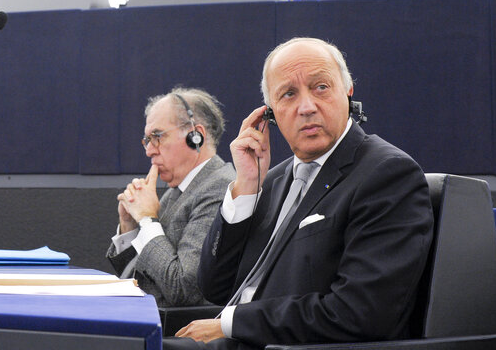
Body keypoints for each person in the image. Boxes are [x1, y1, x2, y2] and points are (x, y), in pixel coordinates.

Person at [167, 37, 434, 349]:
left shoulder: (387, 174)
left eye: (321, 87)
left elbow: (361, 313)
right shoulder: (275, 179)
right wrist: (245, 189)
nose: (307, 107)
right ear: (270, 114)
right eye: (289, 94)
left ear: (347, 92)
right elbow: (215, 287)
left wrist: (230, 324)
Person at [107, 88, 235, 307]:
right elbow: (140, 279)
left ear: (196, 136)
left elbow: (182, 288)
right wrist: (130, 227)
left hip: (179, 334)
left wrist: (147, 220)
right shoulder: (175, 192)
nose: (149, 150)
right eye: (147, 140)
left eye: (157, 137)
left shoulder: (221, 188)